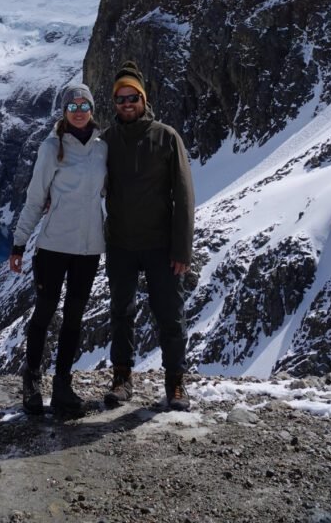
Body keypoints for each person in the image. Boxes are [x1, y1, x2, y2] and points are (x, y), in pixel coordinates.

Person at [10, 83, 107, 417]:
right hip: (53, 246)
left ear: (92, 109)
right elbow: (36, 197)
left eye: (84, 105)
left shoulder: (103, 148)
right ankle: (32, 380)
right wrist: (19, 242)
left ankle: (63, 384)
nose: (79, 111)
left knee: (75, 316)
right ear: (64, 112)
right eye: (72, 106)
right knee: (45, 310)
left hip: (89, 247)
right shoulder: (51, 148)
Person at [102, 60, 195, 411]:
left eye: (132, 97)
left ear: (143, 98)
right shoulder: (106, 141)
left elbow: (184, 194)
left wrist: (182, 248)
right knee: (121, 312)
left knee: (169, 313)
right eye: (120, 99)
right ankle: (122, 379)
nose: (126, 104)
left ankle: (175, 384)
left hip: (160, 245)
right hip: (121, 244)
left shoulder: (166, 137)